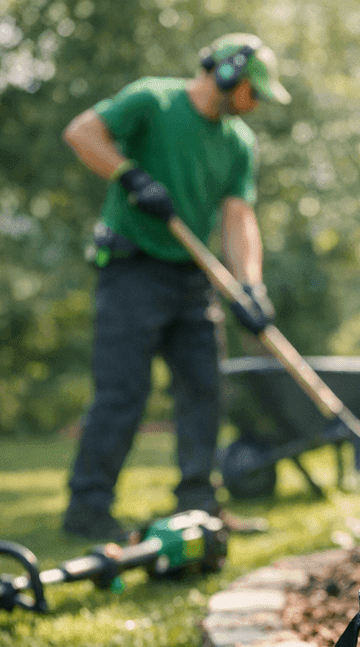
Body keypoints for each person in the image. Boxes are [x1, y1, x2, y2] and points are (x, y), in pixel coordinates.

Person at [61, 33, 290, 540]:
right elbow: (81, 133)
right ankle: (88, 508)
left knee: (204, 388)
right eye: (254, 92)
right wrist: (130, 176)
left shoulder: (238, 142)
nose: (256, 105)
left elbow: (238, 217)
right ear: (227, 73)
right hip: (131, 267)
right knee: (123, 392)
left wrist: (250, 286)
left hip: (192, 275)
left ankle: (199, 505)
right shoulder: (153, 99)